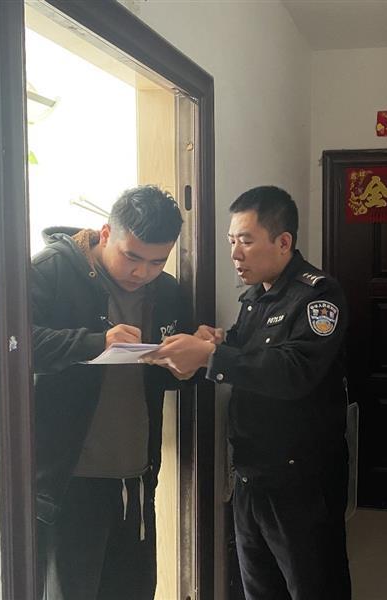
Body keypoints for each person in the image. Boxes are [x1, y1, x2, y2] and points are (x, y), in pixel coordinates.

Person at [144, 186, 352, 600]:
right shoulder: (256, 296)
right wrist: (218, 342)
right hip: (251, 475)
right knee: (259, 588)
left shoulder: (317, 295)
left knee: (313, 587)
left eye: (246, 241)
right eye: (230, 242)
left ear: (283, 242)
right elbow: (249, 353)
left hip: (300, 480)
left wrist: (212, 356)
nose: (235, 254)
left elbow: (293, 371)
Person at [31, 185, 188, 599]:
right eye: (131, 257)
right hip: (68, 480)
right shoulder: (51, 270)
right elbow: (15, 346)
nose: (142, 272)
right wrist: (95, 343)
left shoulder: (167, 291)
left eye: (157, 261)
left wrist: (192, 358)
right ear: (105, 233)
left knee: (133, 590)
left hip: (135, 474)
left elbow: (169, 378)